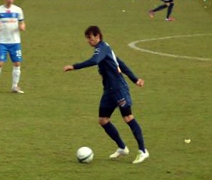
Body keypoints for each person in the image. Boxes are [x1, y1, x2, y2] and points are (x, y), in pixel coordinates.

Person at [63, 26, 149, 164]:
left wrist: (74, 66)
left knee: (128, 117)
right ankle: (122, 147)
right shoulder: (105, 48)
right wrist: (135, 79)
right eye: (87, 39)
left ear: (98, 36)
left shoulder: (101, 48)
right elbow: (120, 63)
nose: (88, 41)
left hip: (119, 89)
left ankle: (143, 151)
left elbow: (95, 61)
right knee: (103, 120)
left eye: (90, 38)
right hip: (109, 91)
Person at [0, 0, 25, 94]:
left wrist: (22, 27)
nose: (10, 0)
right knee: (0, 63)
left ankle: (15, 86)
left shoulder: (18, 10)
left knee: (17, 63)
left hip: (15, 42)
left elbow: (22, 23)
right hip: (2, 42)